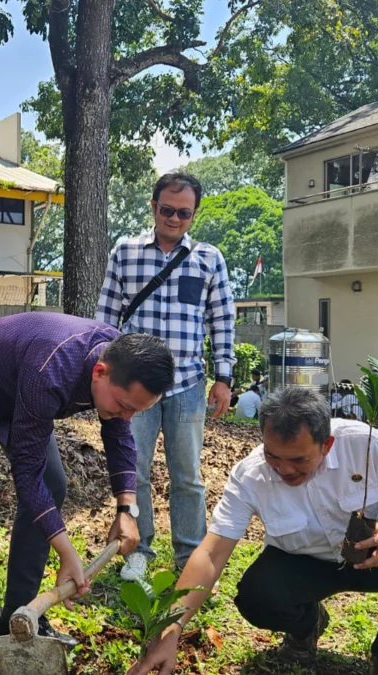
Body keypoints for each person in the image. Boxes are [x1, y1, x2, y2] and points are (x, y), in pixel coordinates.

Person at [128, 388, 378, 675]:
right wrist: (171, 629)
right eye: (273, 455)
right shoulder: (249, 476)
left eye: (299, 459)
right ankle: (306, 625)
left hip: (370, 551)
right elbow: (211, 553)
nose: (284, 469)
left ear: (326, 444)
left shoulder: (360, 442)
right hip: (303, 562)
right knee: (257, 596)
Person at [0, 313, 176, 675]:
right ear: (99, 372)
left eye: (136, 410)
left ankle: (17, 617)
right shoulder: (52, 367)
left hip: (17, 396)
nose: (126, 415)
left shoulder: (121, 362)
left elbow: (119, 435)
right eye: (123, 405)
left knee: (54, 483)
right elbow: (26, 473)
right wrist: (67, 553)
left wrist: (126, 509)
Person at [97, 171, 237, 582]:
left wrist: (224, 377)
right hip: (132, 387)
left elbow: (222, 321)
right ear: (153, 205)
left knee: (187, 475)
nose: (174, 219)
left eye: (184, 213)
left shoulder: (209, 259)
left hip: (187, 382)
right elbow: (106, 317)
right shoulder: (125, 252)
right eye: (167, 210)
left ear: (195, 214)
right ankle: (137, 551)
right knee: (133, 470)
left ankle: (188, 557)